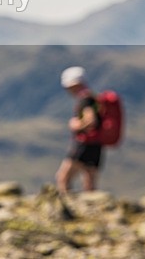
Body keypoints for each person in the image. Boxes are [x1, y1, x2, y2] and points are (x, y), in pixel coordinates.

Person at [55, 66, 103, 194]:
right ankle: (92, 207)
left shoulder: (85, 100)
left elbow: (91, 121)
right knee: (89, 180)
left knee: (63, 177)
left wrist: (76, 125)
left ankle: (66, 205)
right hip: (96, 144)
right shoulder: (92, 98)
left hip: (84, 144)